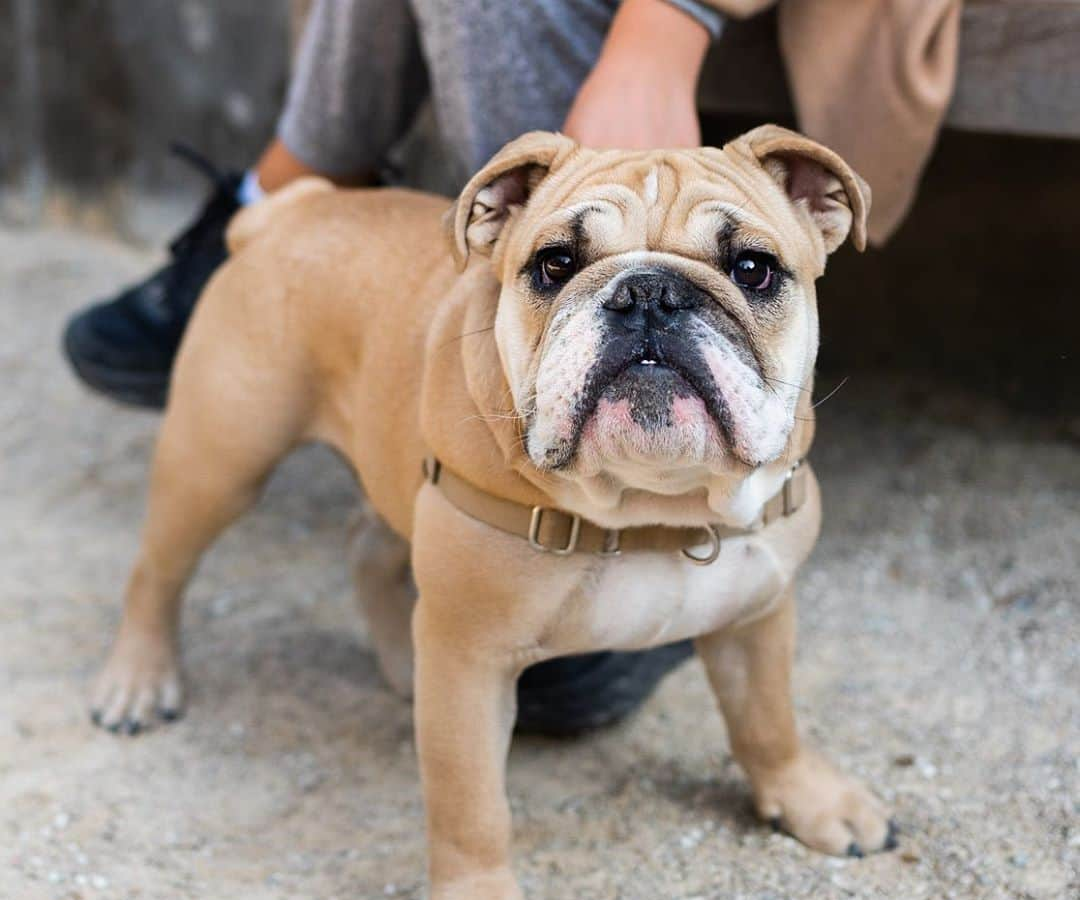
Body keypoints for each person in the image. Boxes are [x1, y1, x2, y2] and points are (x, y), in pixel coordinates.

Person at [62, 0, 961, 732]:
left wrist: (667, 26)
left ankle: (280, 196)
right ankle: (149, 609)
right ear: (487, 222)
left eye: (749, 271)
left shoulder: (787, 509)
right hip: (294, 292)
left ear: (824, 217)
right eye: (564, 267)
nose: (650, 313)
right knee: (205, 487)